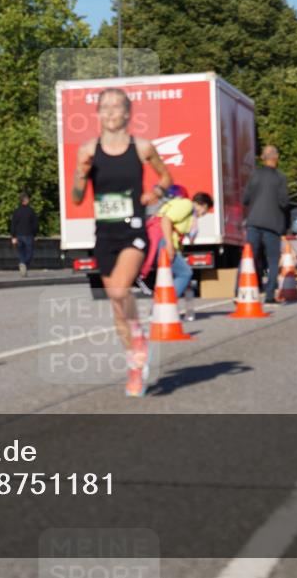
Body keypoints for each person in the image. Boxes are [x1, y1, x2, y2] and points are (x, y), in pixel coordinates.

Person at [71, 88, 171, 395]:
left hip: (134, 231)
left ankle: (138, 337)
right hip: (105, 234)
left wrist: (155, 193)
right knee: (117, 307)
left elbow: (166, 177)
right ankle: (134, 367)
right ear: (98, 113)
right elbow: (77, 198)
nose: (111, 112)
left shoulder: (142, 147)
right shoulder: (88, 150)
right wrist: (80, 173)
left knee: (118, 290)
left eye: (117, 107)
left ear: (127, 113)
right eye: (105, 107)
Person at [241, 145, 289, 304]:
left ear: (263, 158)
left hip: (253, 222)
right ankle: (269, 295)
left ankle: (239, 291)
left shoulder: (254, 175)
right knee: (273, 260)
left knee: (248, 257)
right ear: (277, 158)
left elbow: (245, 199)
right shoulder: (280, 177)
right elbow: (284, 202)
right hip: (272, 224)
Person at [158, 191, 214, 321]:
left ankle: (160, 308)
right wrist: (169, 244)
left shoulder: (190, 215)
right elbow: (166, 220)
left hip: (167, 243)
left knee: (171, 277)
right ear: (203, 205)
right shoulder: (187, 205)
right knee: (185, 273)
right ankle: (164, 307)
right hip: (164, 242)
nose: (203, 215)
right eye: (205, 211)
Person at [10, 193, 39, 277]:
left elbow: (13, 224)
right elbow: (35, 224)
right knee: (29, 253)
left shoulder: (16, 211)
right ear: (26, 200)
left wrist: (13, 236)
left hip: (19, 235)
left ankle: (22, 263)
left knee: (21, 252)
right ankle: (24, 263)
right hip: (29, 235)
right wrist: (35, 234)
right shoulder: (31, 211)